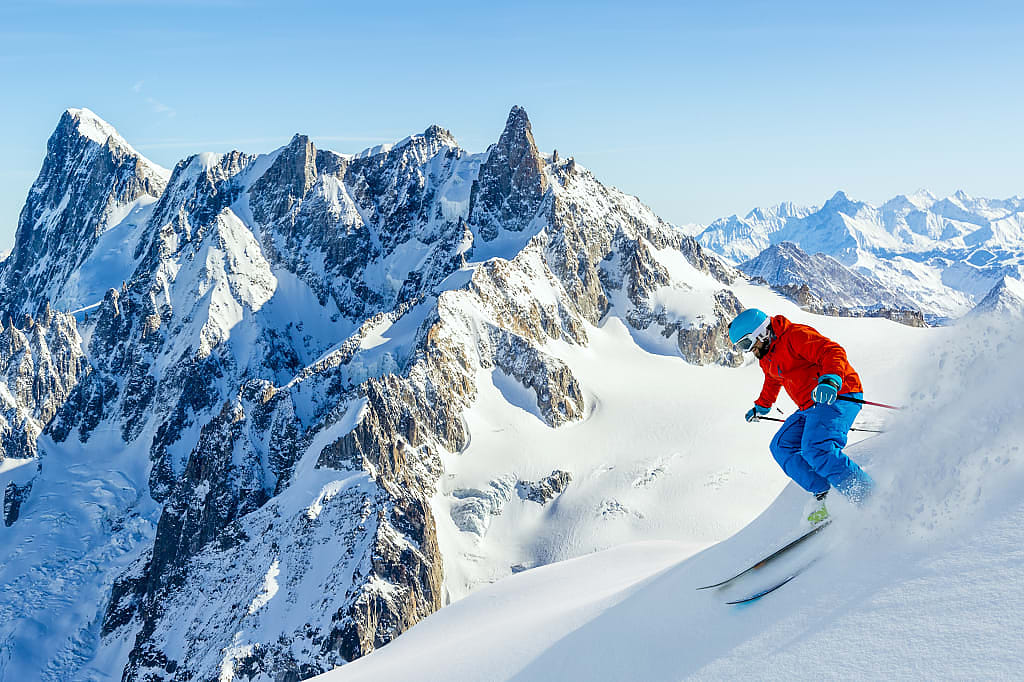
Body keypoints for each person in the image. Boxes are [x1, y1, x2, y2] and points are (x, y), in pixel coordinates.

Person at [728, 308, 874, 524]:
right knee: (781, 446)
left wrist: (830, 380)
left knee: (817, 448)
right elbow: (773, 379)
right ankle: (825, 493)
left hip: (839, 394)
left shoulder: (795, 336)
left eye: (747, 343)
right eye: (741, 347)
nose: (749, 350)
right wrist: (762, 406)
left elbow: (832, 351)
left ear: (761, 332)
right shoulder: (766, 355)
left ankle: (868, 497)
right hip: (810, 405)